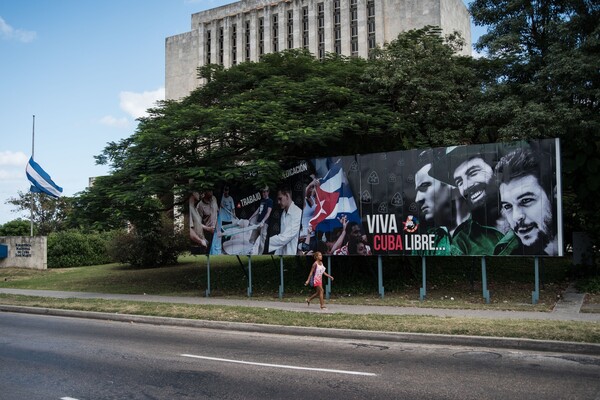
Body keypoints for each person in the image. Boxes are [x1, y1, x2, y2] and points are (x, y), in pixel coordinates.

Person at [429, 146, 504, 255]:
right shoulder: (463, 241)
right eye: (459, 182)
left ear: (495, 170)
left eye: (473, 172)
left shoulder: (531, 213)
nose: (466, 186)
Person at [493, 147, 558, 255]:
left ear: (553, 195)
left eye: (526, 200)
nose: (516, 217)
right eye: (508, 206)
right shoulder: (506, 252)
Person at [413, 149, 465, 255]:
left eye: (425, 186)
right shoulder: (423, 245)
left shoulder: (488, 237)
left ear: (451, 184)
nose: (417, 199)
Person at [268, 187, 302, 255]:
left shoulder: (297, 212)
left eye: (280, 199)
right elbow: (282, 237)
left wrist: (265, 243)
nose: (278, 202)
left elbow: (284, 238)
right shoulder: (284, 213)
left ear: (287, 196)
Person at [248, 186, 273, 255]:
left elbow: (268, 212)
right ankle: (249, 253)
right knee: (251, 239)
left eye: (265, 192)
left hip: (264, 224)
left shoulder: (270, 201)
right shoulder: (262, 201)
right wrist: (250, 218)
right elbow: (258, 210)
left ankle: (259, 255)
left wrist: (263, 221)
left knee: (262, 242)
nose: (264, 193)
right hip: (257, 223)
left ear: (268, 192)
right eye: (263, 192)